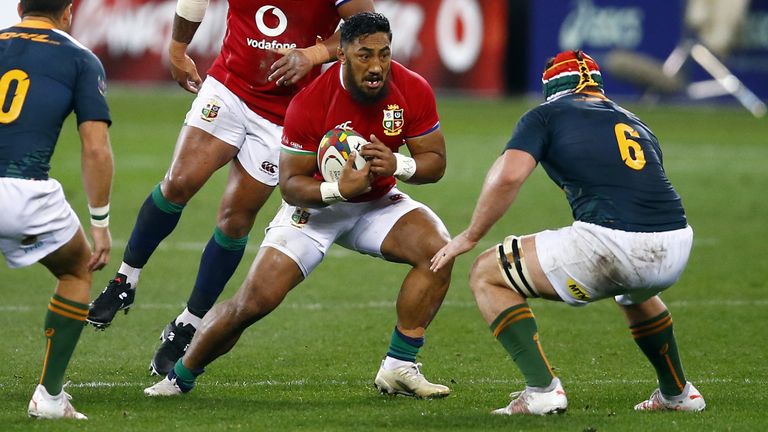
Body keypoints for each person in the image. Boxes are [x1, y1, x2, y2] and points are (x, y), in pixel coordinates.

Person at [144, 12, 452, 399]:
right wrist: (339, 189)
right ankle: (180, 377)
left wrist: (399, 164)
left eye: (384, 54)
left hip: (375, 203)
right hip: (315, 210)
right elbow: (291, 186)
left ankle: (400, 366)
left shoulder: (412, 88)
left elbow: (435, 163)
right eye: (364, 55)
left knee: (439, 251)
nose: (376, 66)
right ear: (342, 55)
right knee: (253, 303)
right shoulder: (311, 101)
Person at [86, 0, 375, 377]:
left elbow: (365, 25)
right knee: (178, 182)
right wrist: (176, 48)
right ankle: (125, 279)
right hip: (229, 86)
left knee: (235, 220)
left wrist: (316, 53)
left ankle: (188, 323)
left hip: (284, 112)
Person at [430, 50, 706, 415]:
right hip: (675, 243)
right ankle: (678, 394)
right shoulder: (636, 123)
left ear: (552, 88)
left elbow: (508, 175)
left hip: (614, 244)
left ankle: (542, 391)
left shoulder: (547, 114)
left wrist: (470, 234)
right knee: (634, 293)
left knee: (486, 273)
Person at [0, 0, 114, 419]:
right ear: (68, 11)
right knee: (76, 269)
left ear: (18, 7)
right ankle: (48, 398)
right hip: (24, 192)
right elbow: (96, 148)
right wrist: (99, 223)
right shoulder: (80, 58)